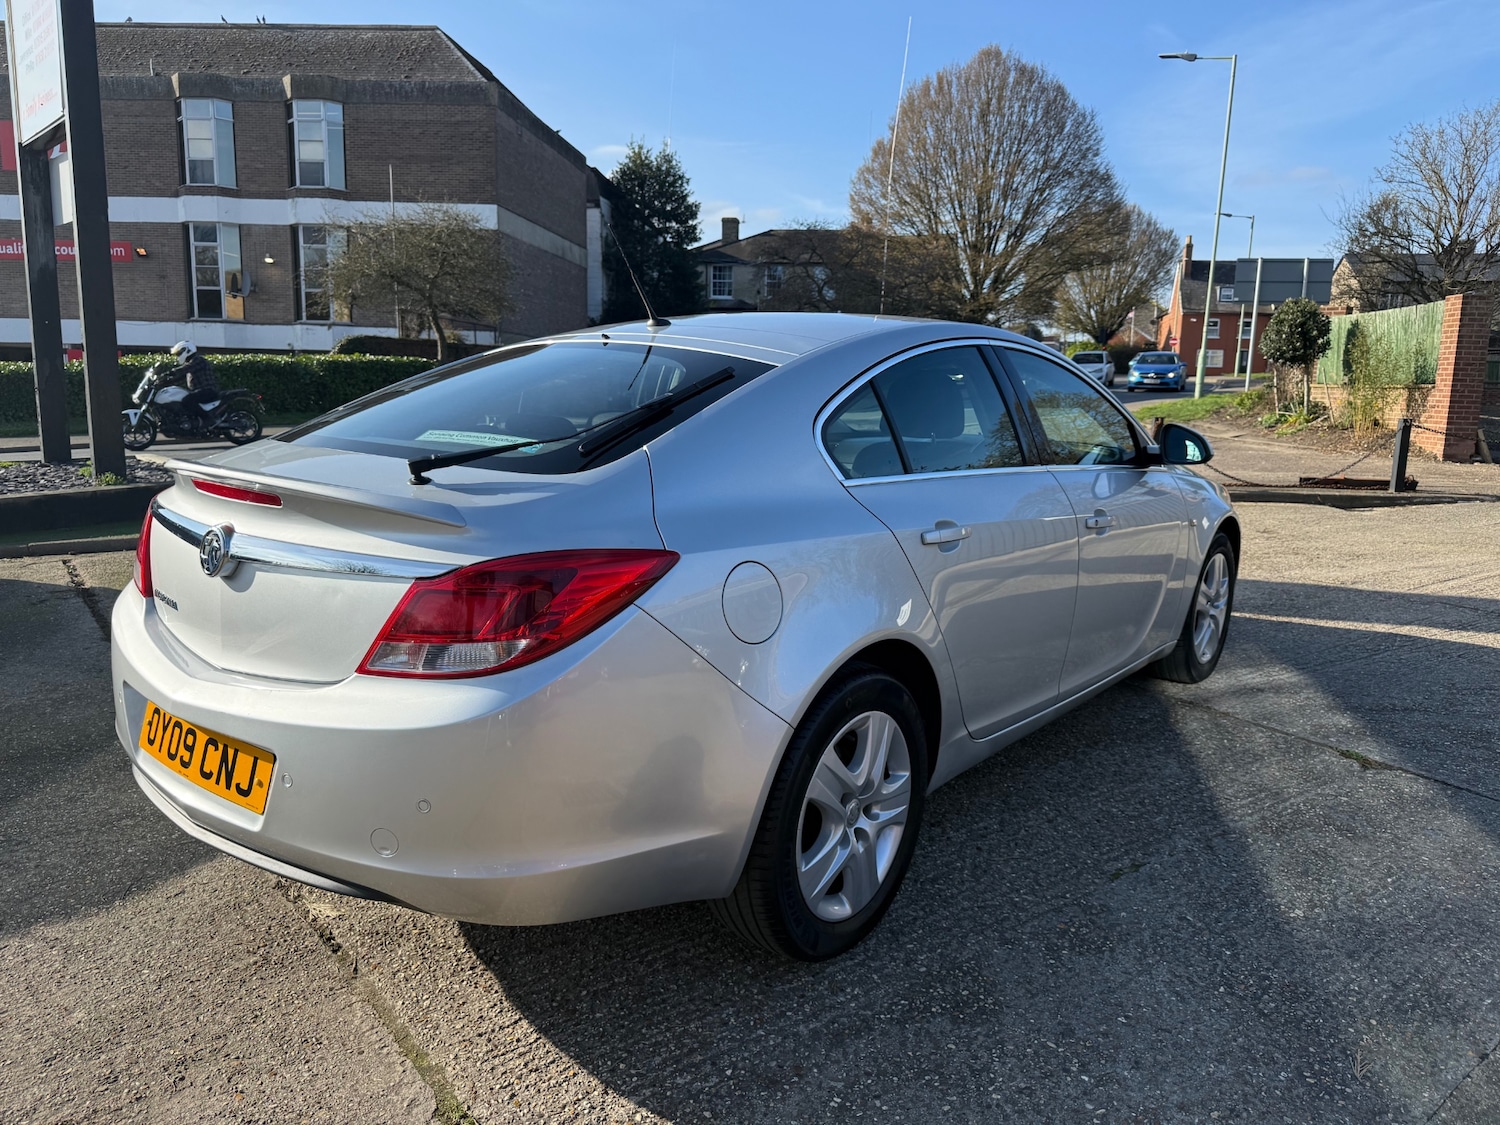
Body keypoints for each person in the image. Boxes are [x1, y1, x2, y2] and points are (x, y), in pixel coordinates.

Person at [164, 341, 219, 430]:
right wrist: (165, 382)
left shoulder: (198, 360)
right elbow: (181, 377)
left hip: (208, 390)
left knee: (187, 400)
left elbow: (185, 369)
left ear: (187, 350)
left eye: (179, 354)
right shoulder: (191, 363)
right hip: (200, 391)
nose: (178, 356)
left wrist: (171, 372)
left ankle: (207, 419)